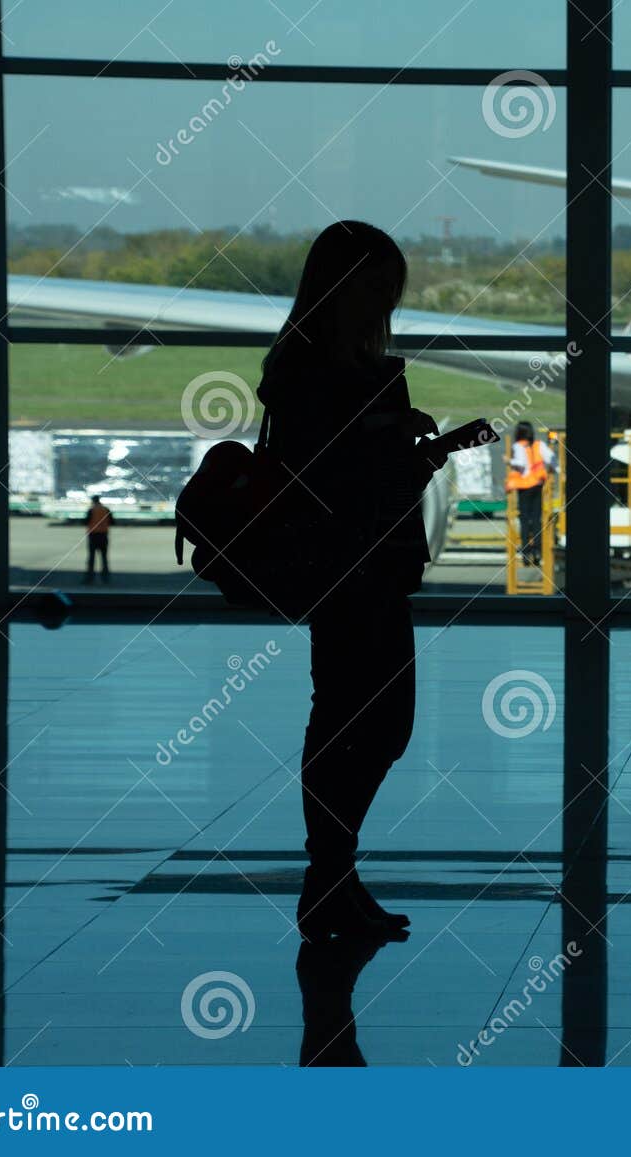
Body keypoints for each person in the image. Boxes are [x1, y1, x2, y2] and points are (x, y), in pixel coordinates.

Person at [258, 220, 446, 941]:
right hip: (343, 567)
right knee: (356, 720)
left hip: (374, 560)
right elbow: (320, 470)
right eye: (379, 288)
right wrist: (387, 440)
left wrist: (410, 453)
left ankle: (333, 874)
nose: (386, 305)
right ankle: (328, 877)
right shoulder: (308, 370)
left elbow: (355, 470)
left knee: (367, 722)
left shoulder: (346, 368)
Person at [506, 420, 555, 565]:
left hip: (524, 487)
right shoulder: (539, 445)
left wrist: (509, 461)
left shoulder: (518, 446)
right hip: (538, 485)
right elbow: (552, 461)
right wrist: (555, 471)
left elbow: (520, 463)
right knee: (537, 519)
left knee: (524, 520)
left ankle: (526, 553)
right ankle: (538, 551)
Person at [84, 495, 113, 583]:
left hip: (93, 535)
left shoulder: (91, 510)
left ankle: (89, 578)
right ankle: (105, 578)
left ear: (93, 501)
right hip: (103, 535)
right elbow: (112, 521)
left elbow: (86, 521)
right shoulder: (106, 509)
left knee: (91, 557)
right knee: (104, 557)